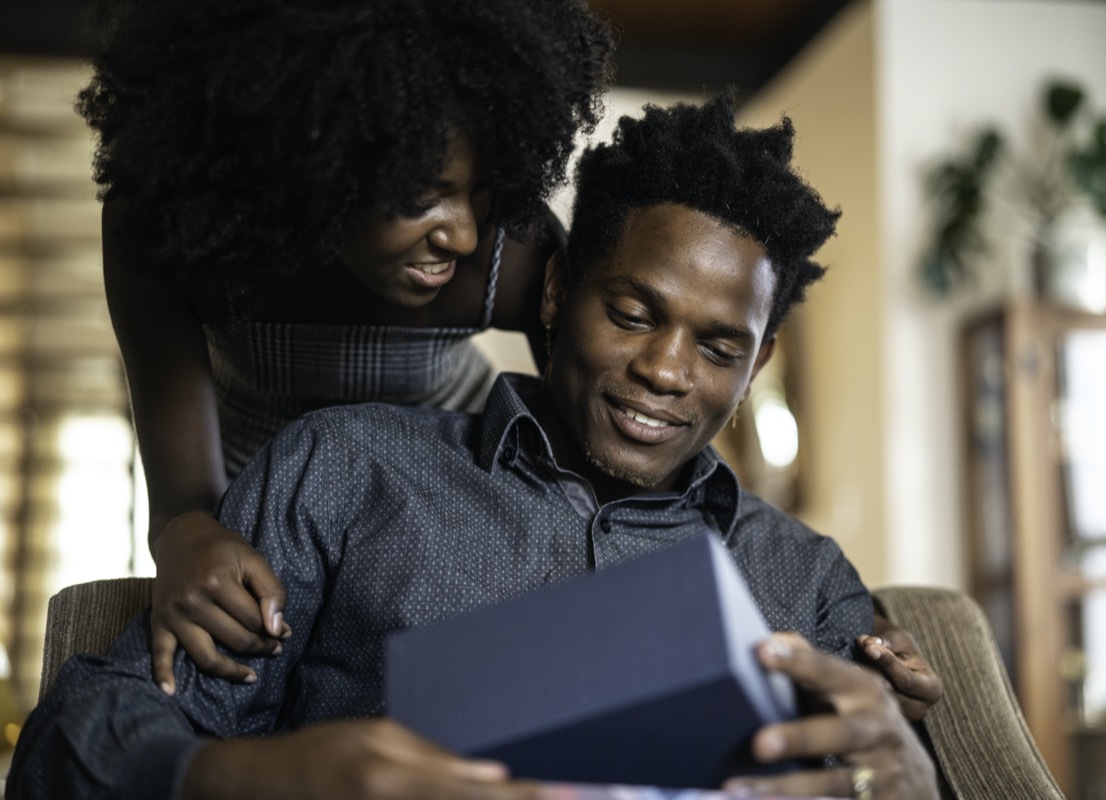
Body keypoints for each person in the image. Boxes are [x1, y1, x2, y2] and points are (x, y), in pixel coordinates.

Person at [8, 96, 937, 800]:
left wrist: (910, 779)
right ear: (553, 290)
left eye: (720, 347)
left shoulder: (806, 581)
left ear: (758, 360)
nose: (666, 370)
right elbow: (70, 744)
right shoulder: (343, 472)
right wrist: (256, 777)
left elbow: (879, 770)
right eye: (630, 314)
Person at [78, 0, 614, 692]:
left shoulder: (515, 250)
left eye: (478, 192)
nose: (464, 235)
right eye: (424, 197)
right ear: (311, 165)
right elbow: (184, 508)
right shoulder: (168, 238)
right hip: (258, 494)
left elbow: (588, 472)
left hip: (450, 481)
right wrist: (190, 538)